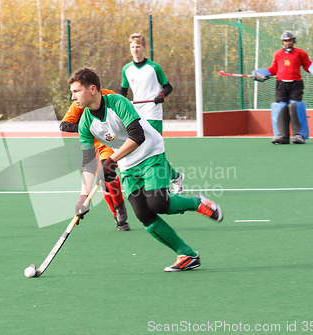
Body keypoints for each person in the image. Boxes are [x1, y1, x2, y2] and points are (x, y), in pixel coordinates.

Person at [70, 67, 223, 272]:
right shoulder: (85, 123)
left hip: (150, 152)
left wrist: (111, 160)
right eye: (72, 93)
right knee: (144, 214)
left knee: (158, 203)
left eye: (76, 91)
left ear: (92, 89)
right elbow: (88, 163)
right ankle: (187, 254)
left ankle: (197, 202)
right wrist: (83, 197)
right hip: (128, 164)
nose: (73, 97)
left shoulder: (117, 103)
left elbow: (137, 136)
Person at [120, 33, 184, 194]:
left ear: (144, 48)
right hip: (136, 113)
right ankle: (175, 177)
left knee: (154, 148)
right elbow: (123, 92)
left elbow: (168, 87)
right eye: (132, 47)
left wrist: (161, 96)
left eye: (138, 47)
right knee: (139, 149)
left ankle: (166, 183)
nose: (135, 50)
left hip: (152, 113)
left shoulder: (154, 68)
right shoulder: (126, 69)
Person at [60, 89, 130, 231]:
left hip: (111, 143)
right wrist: (89, 126)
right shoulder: (80, 102)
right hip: (93, 144)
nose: (75, 96)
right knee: (103, 182)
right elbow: (64, 125)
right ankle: (116, 215)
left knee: (107, 173)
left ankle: (120, 206)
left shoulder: (111, 96)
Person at [251, 31, 313, 145]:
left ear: (293, 41)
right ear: (282, 42)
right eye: (286, 41)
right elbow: (273, 69)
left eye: (290, 40)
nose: (288, 43)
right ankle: (282, 136)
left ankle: (298, 135)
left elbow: (307, 65)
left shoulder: (301, 53)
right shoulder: (277, 54)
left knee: (295, 106)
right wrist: (262, 74)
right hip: (281, 85)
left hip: (296, 84)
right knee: (281, 107)